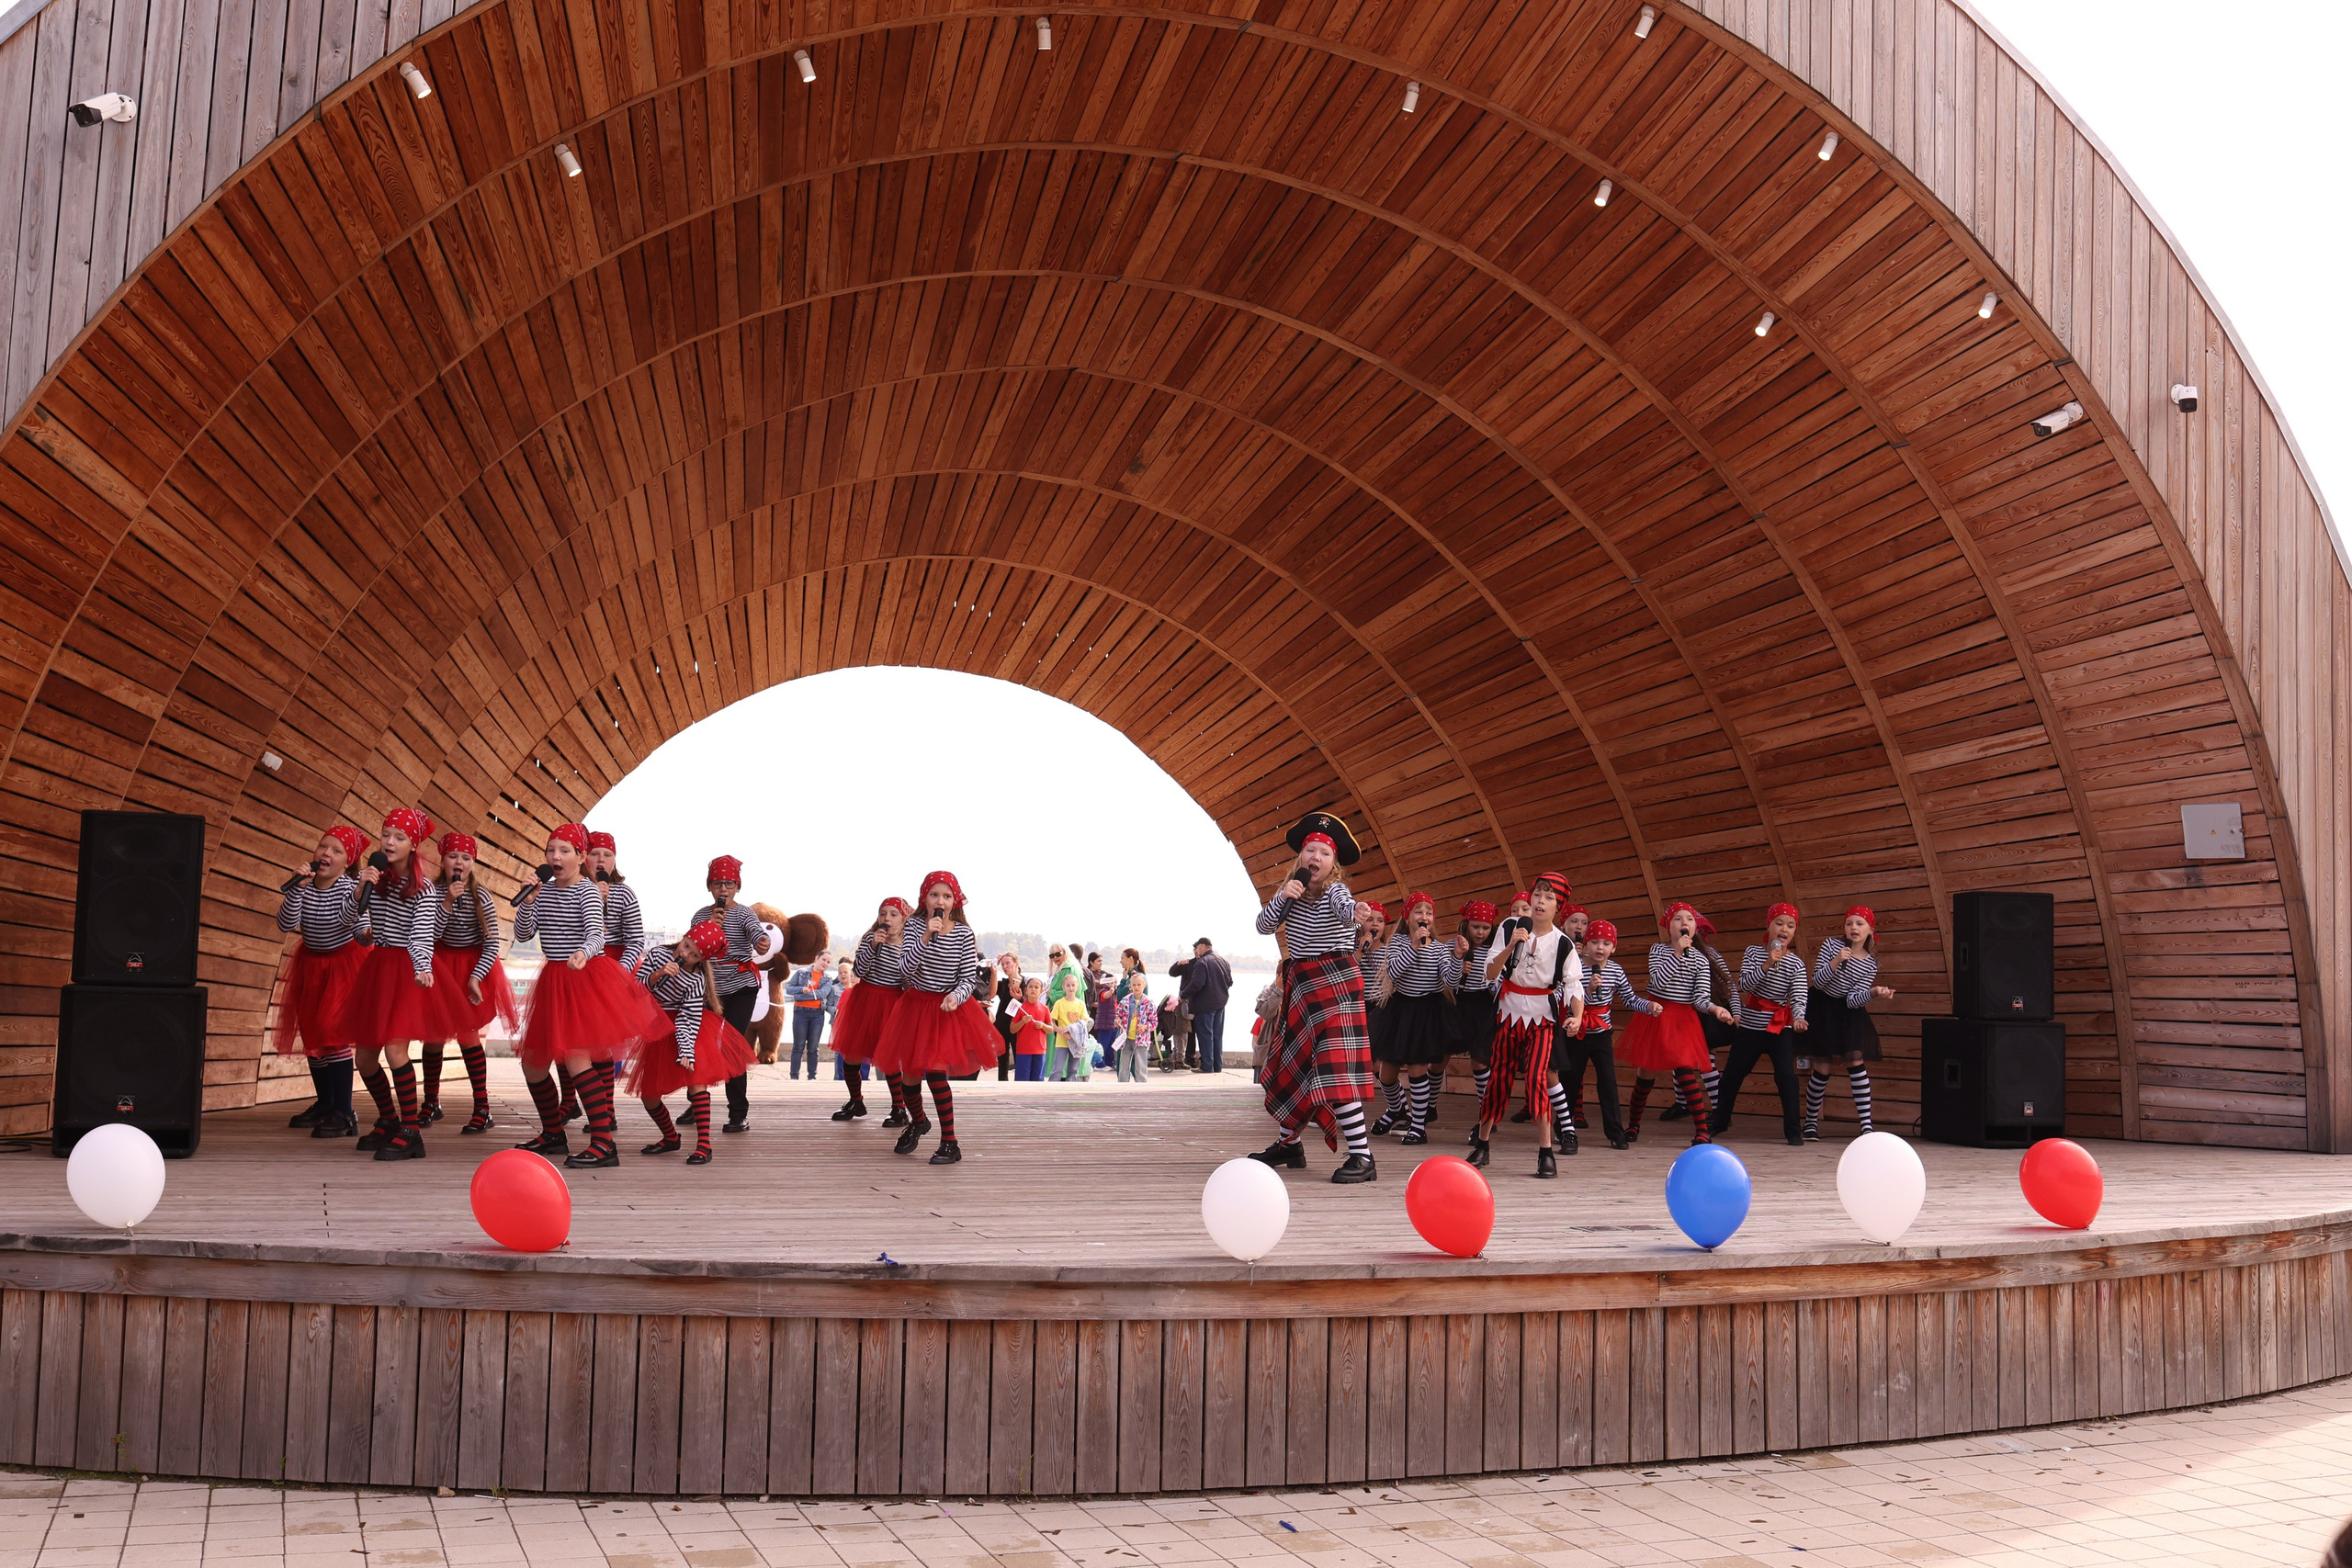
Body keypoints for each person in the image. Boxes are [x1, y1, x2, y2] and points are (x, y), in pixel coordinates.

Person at [511, 823, 670, 1166]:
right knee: (533, 1064)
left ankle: (603, 1142)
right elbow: (524, 933)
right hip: (554, 978)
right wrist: (528, 902)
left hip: (583, 978)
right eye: (551, 850)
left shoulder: (586, 891)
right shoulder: (546, 891)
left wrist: (584, 953)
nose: (556, 856)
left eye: (564, 851)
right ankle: (553, 1132)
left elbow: (597, 933)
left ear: (580, 857)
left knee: (577, 1059)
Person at [1248, 810, 1377, 1184]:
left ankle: (1362, 1157)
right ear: (1300, 858)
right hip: (1303, 985)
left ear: (1333, 863)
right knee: (1297, 1067)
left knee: (1333, 1071)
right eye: (1310, 851)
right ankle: (1290, 1144)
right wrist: (1283, 898)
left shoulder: (1337, 891)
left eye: (1323, 852)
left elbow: (1346, 909)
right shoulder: (1291, 891)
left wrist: (1356, 912)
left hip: (1335, 983)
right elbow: (1263, 926)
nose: (1315, 858)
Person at [872, 872, 999, 1163]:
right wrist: (927, 936)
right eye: (934, 895)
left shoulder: (964, 934)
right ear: (924, 899)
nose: (940, 901)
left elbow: (968, 978)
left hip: (946, 1008)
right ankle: (919, 1121)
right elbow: (905, 969)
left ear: (955, 902)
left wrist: (957, 996)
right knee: (909, 1081)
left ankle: (950, 1143)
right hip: (915, 1007)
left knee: (936, 1075)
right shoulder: (915, 926)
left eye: (946, 896)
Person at [343, 808, 444, 1163]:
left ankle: (411, 1131)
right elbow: (349, 921)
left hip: (407, 970)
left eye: (399, 837)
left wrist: (421, 967)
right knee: (365, 1055)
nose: (389, 842)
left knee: (394, 1049)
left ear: (413, 845)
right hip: (379, 966)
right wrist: (359, 889)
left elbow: (421, 936)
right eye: (386, 835)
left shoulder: (424, 888)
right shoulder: (375, 880)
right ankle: (388, 1118)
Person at [1468, 871, 1583, 1178]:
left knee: (1537, 1078)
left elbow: (1574, 986)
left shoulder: (1563, 944)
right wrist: (1512, 945)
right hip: (1507, 1012)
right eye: (1537, 895)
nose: (1540, 902)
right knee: (1499, 1079)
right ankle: (1482, 1145)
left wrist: (1577, 1015)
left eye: (1548, 898)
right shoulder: (1509, 927)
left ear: (1558, 906)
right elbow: (1490, 972)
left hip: (1542, 1019)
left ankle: (1546, 1153)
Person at [627, 921, 755, 1164]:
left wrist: (686, 1050)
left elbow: (690, 1016)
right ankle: (670, 1137)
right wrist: (657, 974)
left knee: (697, 1082)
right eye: (686, 946)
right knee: (649, 1095)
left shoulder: (696, 980)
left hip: (689, 1030)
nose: (685, 954)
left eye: (694, 954)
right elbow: (635, 989)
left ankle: (704, 1145)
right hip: (659, 1026)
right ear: (684, 937)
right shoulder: (657, 955)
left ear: (701, 960)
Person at [273, 826, 371, 1138]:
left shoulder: (350, 888)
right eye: (322, 847)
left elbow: (351, 919)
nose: (326, 854)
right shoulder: (305, 886)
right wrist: (298, 887)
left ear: (348, 862)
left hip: (342, 966)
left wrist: (366, 931)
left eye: (337, 850)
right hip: (311, 964)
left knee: (333, 1032)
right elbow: (285, 923)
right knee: (313, 1034)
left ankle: (345, 1112)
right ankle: (326, 1103)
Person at [417, 831, 517, 1135]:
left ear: (472, 863)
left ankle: (482, 1108)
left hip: (472, 968)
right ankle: (431, 1101)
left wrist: (476, 977)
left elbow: (492, 944)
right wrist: (447, 901)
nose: (459, 862)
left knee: (468, 1036)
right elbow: (429, 934)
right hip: (440, 966)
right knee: (432, 1036)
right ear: (443, 861)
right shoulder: (431, 892)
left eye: (465, 858)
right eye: (453, 857)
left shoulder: (480, 896)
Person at [1619, 903, 1733, 1144]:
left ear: (1695, 927)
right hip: (1656, 1015)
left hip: (1683, 1019)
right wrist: (1677, 954)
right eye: (1677, 919)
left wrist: (1715, 1009)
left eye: (1689, 919)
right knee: (1645, 1076)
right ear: (1669, 928)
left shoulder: (1701, 961)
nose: (1684, 923)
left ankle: (1702, 1131)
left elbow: (1699, 999)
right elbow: (1657, 983)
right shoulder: (1659, 950)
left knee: (1685, 1073)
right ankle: (1633, 1125)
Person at [1705, 903, 1812, 1145]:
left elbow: (1798, 996)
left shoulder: (1796, 964)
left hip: (1779, 1027)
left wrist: (1798, 1017)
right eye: (1779, 923)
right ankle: (1720, 1122)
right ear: (1769, 925)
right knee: (1733, 1074)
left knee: (1787, 1077)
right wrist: (1767, 964)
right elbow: (1745, 984)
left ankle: (1793, 1131)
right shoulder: (1753, 952)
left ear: (1794, 932)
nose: (1784, 929)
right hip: (1751, 1024)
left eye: (1790, 925)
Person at [1370, 892, 1459, 1146]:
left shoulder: (1440, 949)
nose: (1424, 917)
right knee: (1386, 1073)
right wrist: (1414, 947)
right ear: (1407, 917)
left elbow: (1450, 981)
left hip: (1426, 1011)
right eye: (1418, 912)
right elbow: (1395, 973)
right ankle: (1397, 1109)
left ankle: (1418, 1126)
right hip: (1399, 1010)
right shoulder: (1398, 943)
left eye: (1429, 913)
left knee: (1419, 1069)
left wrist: (1456, 958)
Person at [1560, 919, 1651, 1151]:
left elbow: (1630, 999)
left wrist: (1648, 1006)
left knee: (1608, 1082)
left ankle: (1615, 1133)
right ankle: (1565, 1131)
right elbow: (1567, 1001)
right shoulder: (1575, 967)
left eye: (1606, 943)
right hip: (1577, 1031)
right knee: (1570, 1081)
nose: (1600, 947)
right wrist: (1588, 990)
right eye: (1595, 942)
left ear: (1614, 947)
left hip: (1601, 1033)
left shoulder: (1616, 970)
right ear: (1586, 945)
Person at [1805, 907, 1895, 1139]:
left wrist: (1874, 992)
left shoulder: (1870, 963)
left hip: (1847, 1012)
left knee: (1856, 1060)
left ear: (1870, 931)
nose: (1854, 928)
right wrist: (1836, 961)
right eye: (1849, 923)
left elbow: (1854, 999)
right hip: (1822, 1008)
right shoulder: (1831, 946)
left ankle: (1866, 1125)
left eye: (1859, 924)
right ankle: (1811, 1122)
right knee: (1822, 1066)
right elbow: (1818, 981)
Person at [689, 855, 764, 1134]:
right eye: (718, 883)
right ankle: (696, 1101)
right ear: (710, 887)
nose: (724, 889)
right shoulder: (701, 915)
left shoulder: (744, 913)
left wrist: (762, 941)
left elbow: (755, 933)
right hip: (709, 987)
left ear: (737, 886)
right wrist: (710, 925)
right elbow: (691, 947)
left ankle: (738, 1113)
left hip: (741, 985)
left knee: (732, 1045)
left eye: (729, 883)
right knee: (699, 1044)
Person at [828, 897, 911, 1122]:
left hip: (891, 1002)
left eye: (893, 914)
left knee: (890, 1059)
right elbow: (860, 970)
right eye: (883, 913)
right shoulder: (869, 938)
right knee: (852, 1056)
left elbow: (907, 978)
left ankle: (899, 1108)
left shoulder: (909, 942)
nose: (887, 918)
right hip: (864, 1000)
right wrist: (873, 945)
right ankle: (856, 1101)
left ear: (904, 918)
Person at [1451, 899, 1499, 1139]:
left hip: (1483, 1006)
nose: (1480, 932)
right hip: (1458, 1004)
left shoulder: (1494, 951)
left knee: (1480, 1060)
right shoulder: (1454, 946)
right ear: (1465, 925)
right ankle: (1426, 1110)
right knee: (1438, 1057)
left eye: (1486, 927)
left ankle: (1486, 1112)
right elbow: (1444, 978)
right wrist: (1459, 969)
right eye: (1475, 927)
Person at [1176, 938, 1233, 1072]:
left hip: (1204, 1005)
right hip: (1220, 1004)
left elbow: (1197, 984)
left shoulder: (1202, 963)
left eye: (1196, 948)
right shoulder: (1223, 961)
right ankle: (1217, 1066)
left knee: (1205, 1035)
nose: (1196, 952)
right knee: (1217, 1036)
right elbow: (1230, 982)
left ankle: (1207, 1066)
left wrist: (1182, 995)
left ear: (1202, 946)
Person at [785, 960, 838, 1078]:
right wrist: (801, 990)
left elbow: (822, 994)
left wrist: (800, 996)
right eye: (823, 960)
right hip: (800, 1012)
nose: (826, 963)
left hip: (817, 1014)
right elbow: (789, 988)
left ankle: (812, 1076)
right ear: (816, 959)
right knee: (798, 1045)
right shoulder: (801, 973)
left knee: (813, 1047)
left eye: (829, 962)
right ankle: (794, 1076)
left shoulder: (828, 978)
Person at [1114, 971, 1156, 1082]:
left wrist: (1145, 1027)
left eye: (1139, 985)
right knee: (1123, 1066)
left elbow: (1154, 1022)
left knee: (1141, 1066)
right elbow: (1118, 1015)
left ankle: (1141, 1087)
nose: (1136, 987)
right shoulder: (1125, 1001)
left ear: (1144, 986)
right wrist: (1117, 1021)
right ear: (1130, 986)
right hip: (1126, 1038)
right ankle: (1122, 1086)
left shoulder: (1149, 1003)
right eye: (1134, 985)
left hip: (1141, 1039)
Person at [1010, 976, 1050, 1079]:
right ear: (1026, 990)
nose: (1033, 989)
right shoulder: (1020, 1008)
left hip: (1040, 1050)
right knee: (1022, 1080)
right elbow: (1012, 1029)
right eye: (1030, 987)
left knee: (1038, 1079)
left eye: (1036, 987)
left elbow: (1050, 1029)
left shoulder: (1045, 1009)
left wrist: (1042, 1025)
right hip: (1023, 1050)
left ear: (1041, 991)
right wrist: (1022, 1022)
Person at [1051, 981, 1092, 1080]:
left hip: (1076, 1041)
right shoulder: (1059, 1003)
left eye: (1073, 985)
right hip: (1062, 1041)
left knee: (1073, 1070)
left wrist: (1074, 1029)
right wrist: (1061, 1031)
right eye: (1068, 985)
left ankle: (1070, 1090)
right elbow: (1051, 1022)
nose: (1071, 988)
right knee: (1058, 1069)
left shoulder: (1080, 1004)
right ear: (1063, 987)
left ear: (1077, 987)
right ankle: (1051, 1089)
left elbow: (1086, 1020)